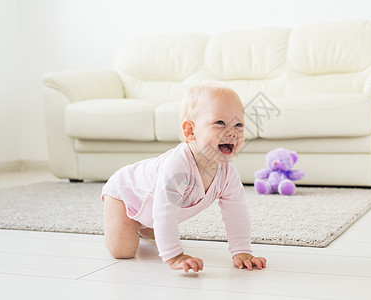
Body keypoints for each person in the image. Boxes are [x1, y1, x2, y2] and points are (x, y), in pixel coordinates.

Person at [101, 82, 267, 273]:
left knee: (159, 227)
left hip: (153, 206)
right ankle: (131, 223)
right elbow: (165, 211)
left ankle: (144, 226)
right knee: (123, 250)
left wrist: (242, 251)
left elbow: (236, 212)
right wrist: (174, 256)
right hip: (125, 193)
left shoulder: (228, 174)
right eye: (220, 123)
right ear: (190, 131)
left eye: (239, 125)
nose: (232, 132)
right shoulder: (177, 168)